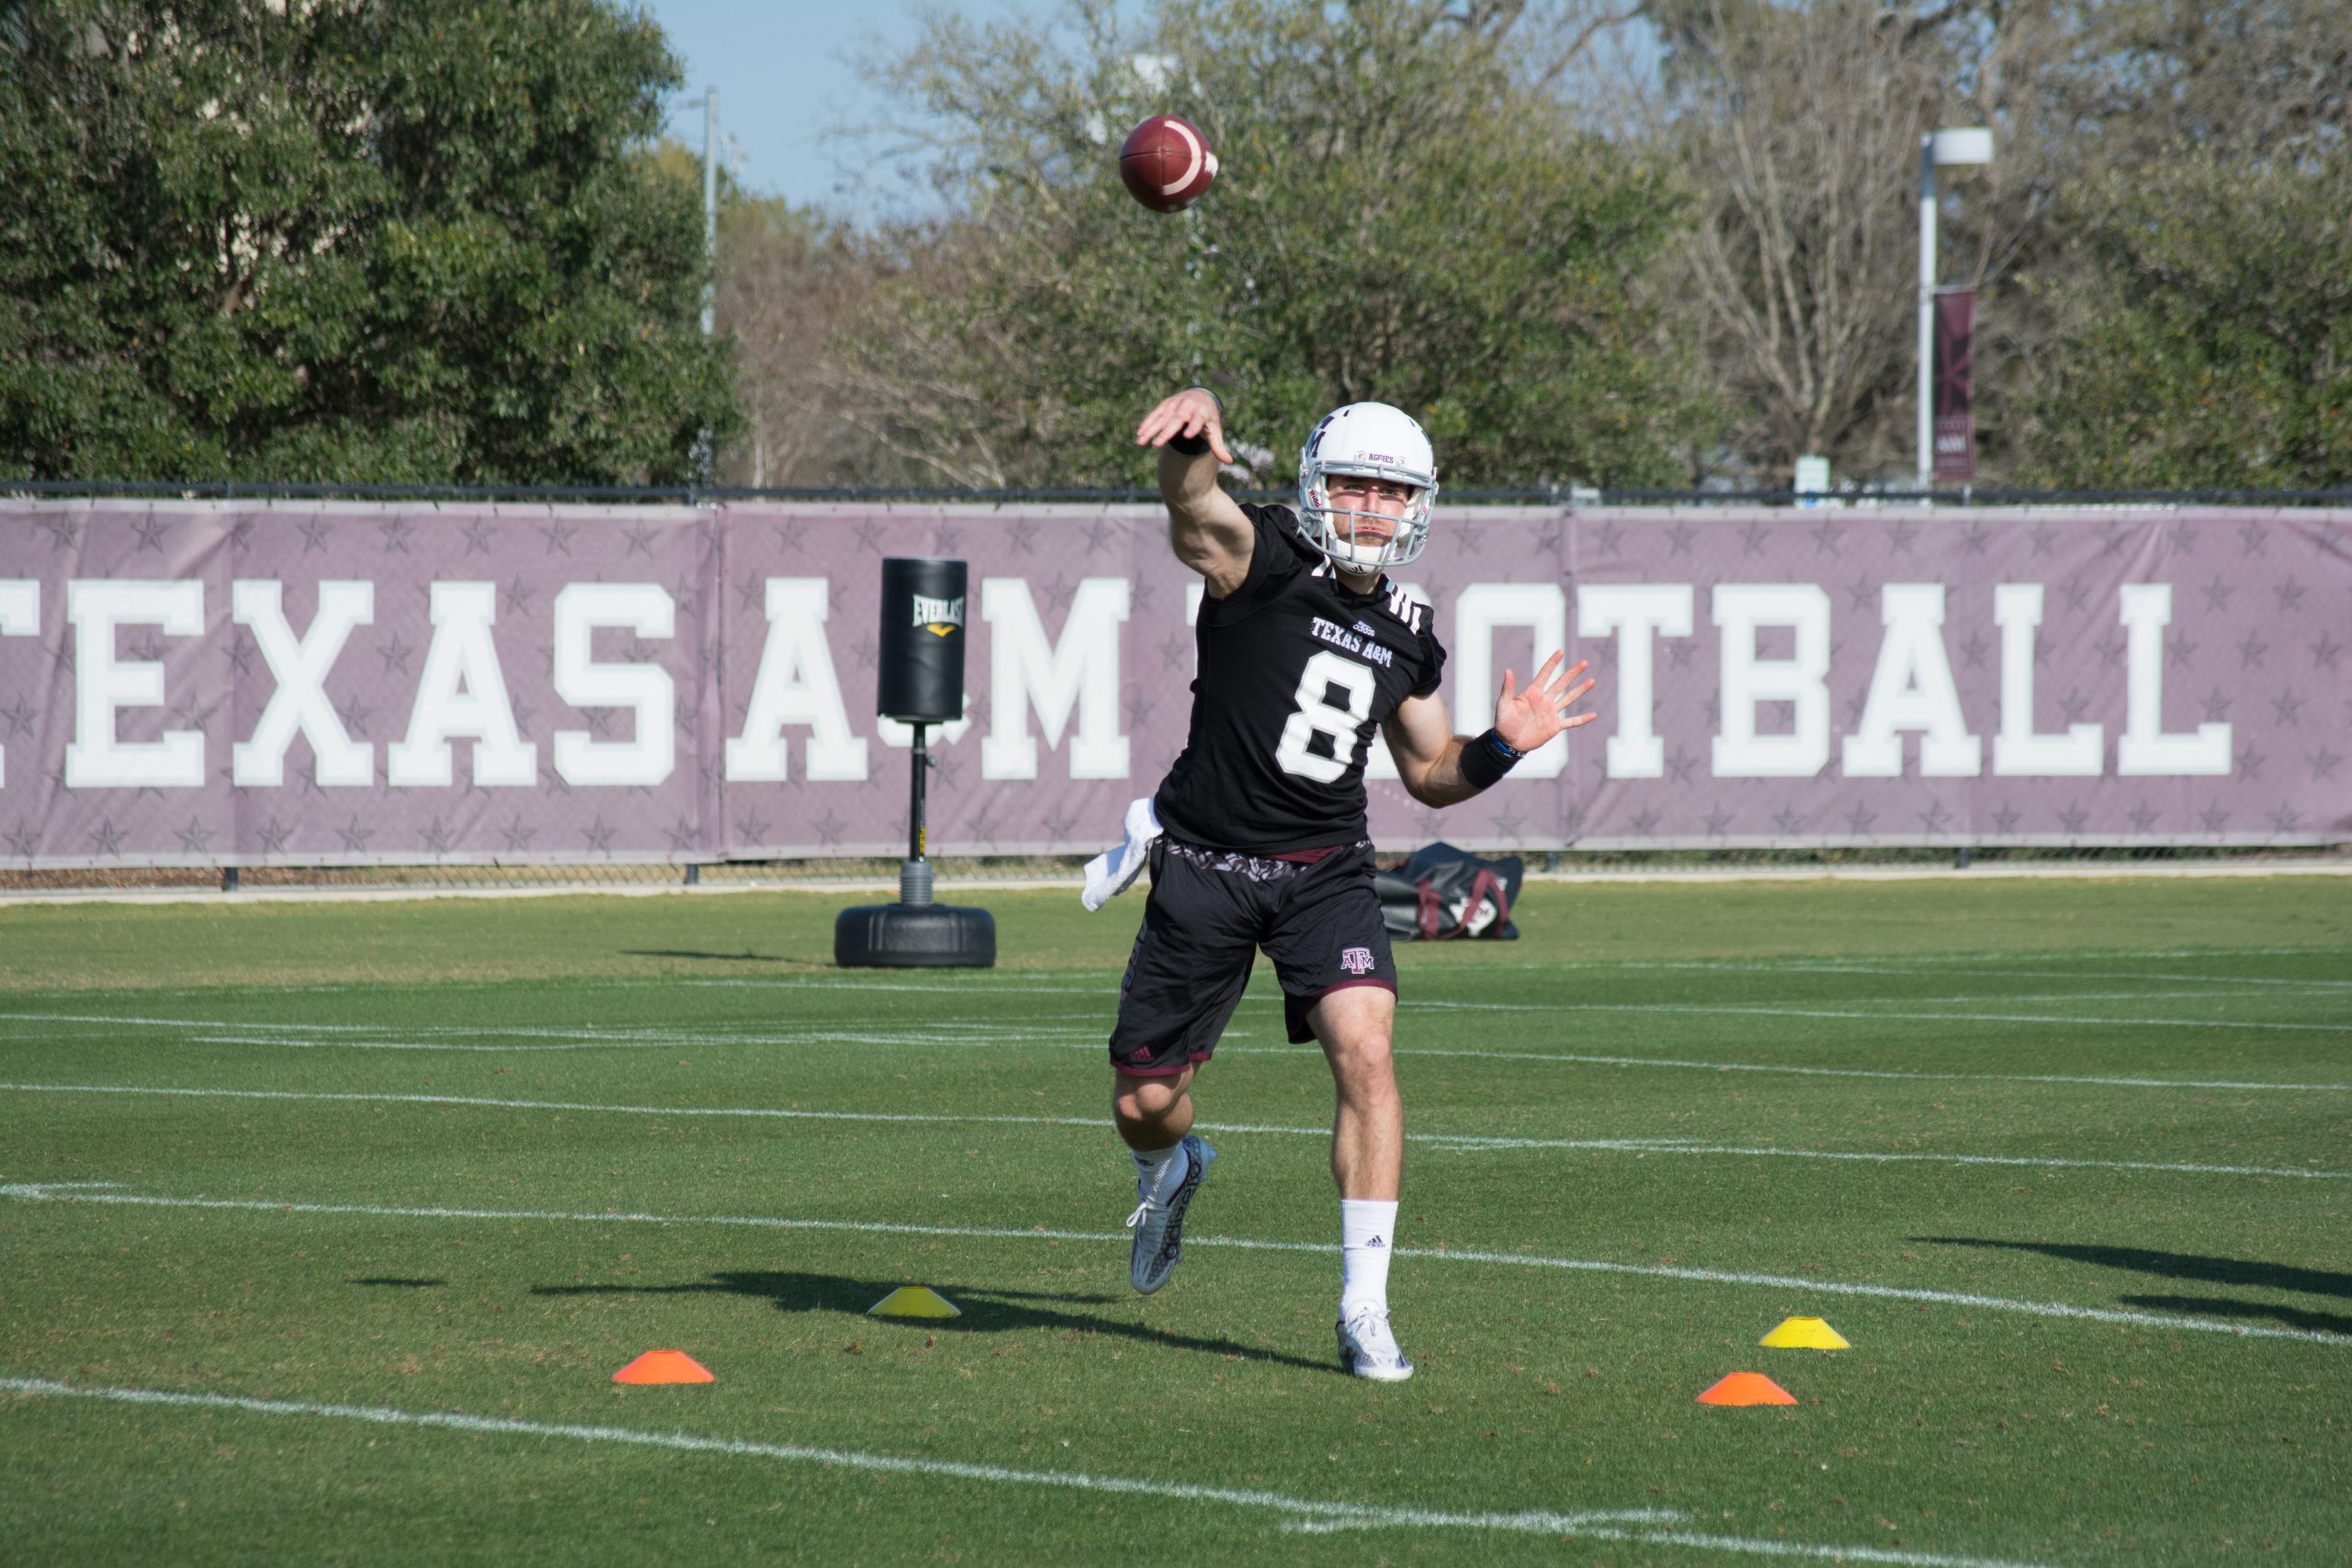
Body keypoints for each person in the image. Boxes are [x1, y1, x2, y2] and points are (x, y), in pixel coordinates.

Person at [1109, 385, 1598, 1380]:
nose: (1371, 509)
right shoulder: (1264, 556)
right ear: (1313, 489)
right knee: (1145, 1102)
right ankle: (1172, 1166)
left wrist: (1502, 746)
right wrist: (1193, 445)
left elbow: (1429, 773)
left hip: (1324, 867)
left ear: (1415, 507)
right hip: (1204, 862)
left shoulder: (1409, 629)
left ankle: (1363, 1307)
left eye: (1390, 492)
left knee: (1367, 1053)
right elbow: (1193, 508)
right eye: (1353, 487)